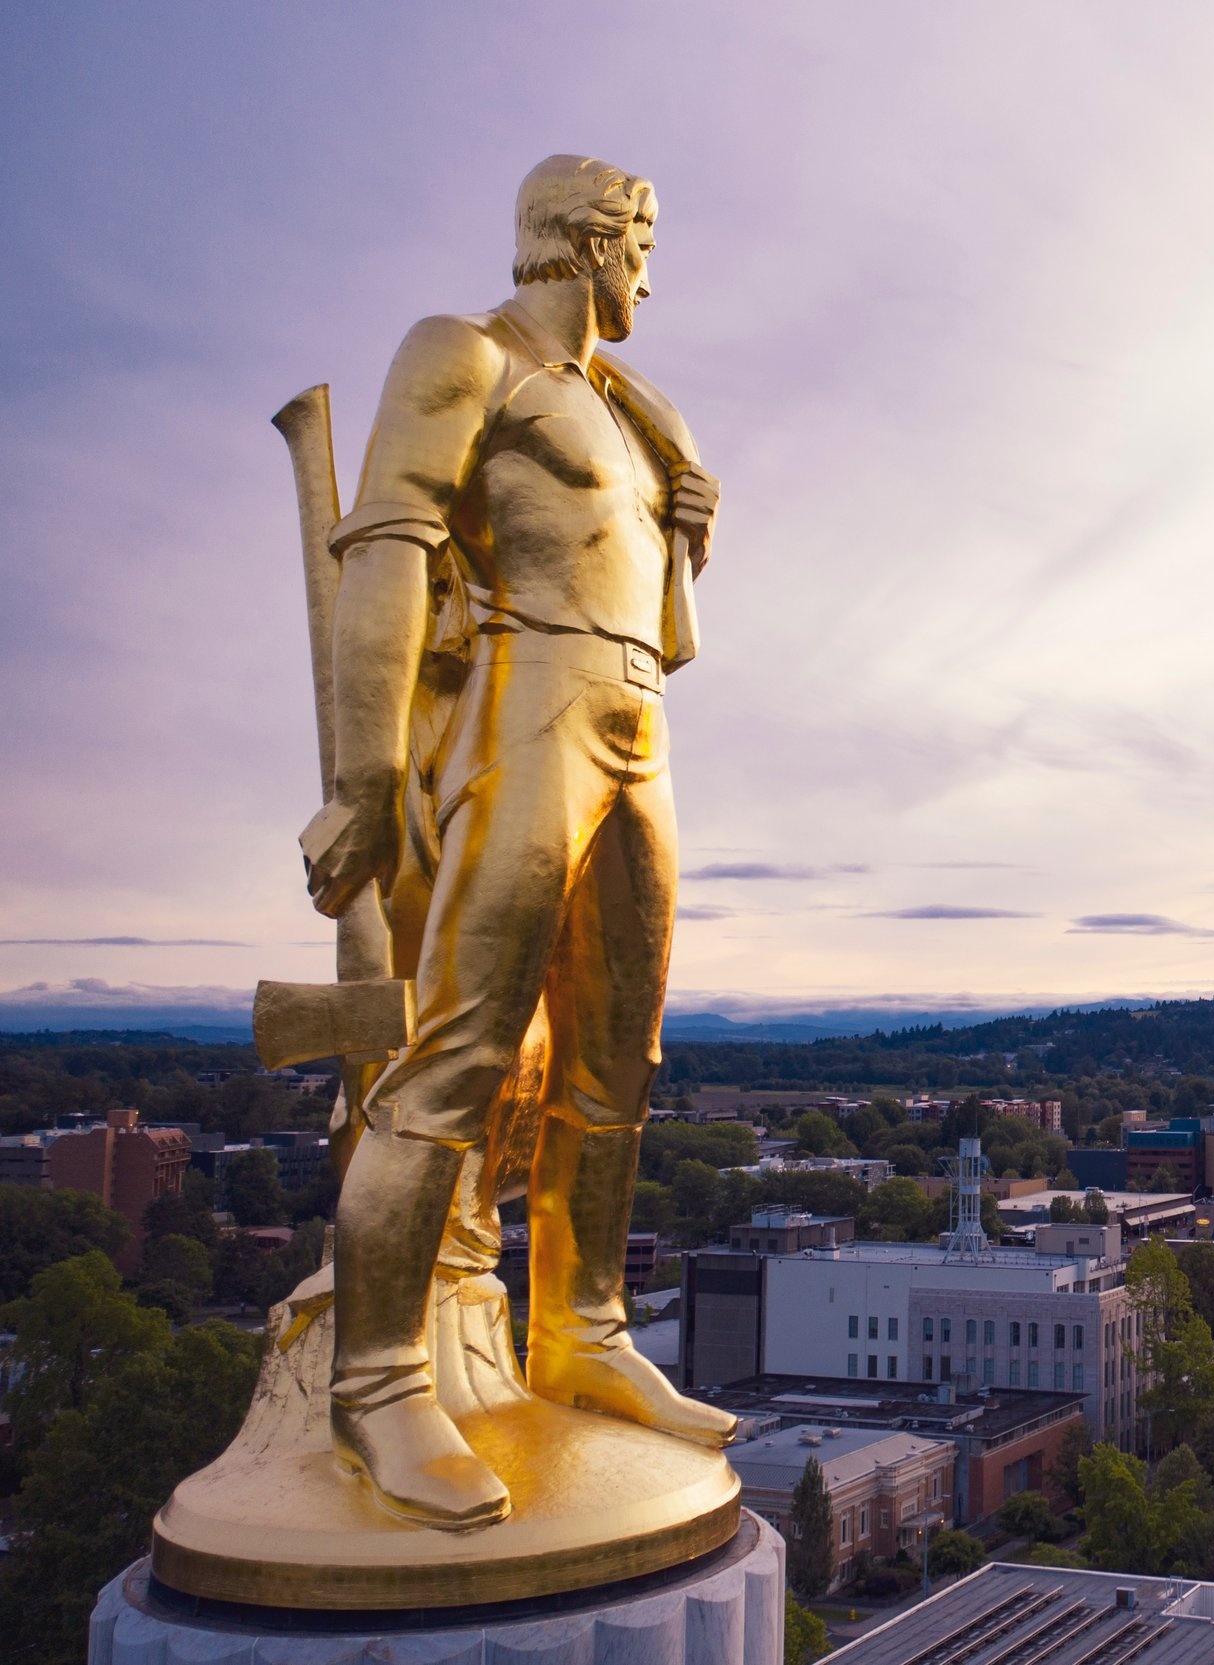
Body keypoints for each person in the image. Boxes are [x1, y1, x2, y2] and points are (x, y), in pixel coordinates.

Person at [305, 154, 735, 1527]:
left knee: (615, 1054)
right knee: (464, 1049)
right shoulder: (464, 354)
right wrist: (371, 775)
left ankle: (582, 1331)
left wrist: (683, 525)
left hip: (638, 719)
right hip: (523, 697)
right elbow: (389, 547)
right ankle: (378, 1380)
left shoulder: (625, 412)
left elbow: (663, 615)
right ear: (584, 242)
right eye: (641, 242)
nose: (650, 272)